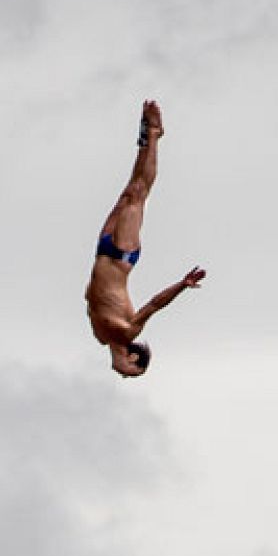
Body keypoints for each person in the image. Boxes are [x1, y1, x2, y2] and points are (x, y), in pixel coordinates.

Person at [84, 100, 206, 378]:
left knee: (129, 192)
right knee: (138, 193)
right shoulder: (129, 330)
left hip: (103, 252)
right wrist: (182, 285)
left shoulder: (101, 337)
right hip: (122, 254)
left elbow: (92, 300)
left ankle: (145, 141)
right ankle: (153, 135)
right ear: (132, 357)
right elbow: (154, 304)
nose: (125, 375)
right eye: (131, 371)